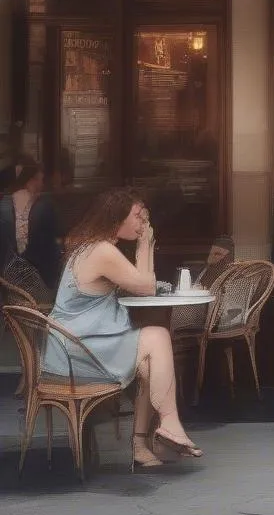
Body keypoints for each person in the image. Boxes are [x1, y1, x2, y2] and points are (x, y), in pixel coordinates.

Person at [44, 188, 202, 465]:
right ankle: (167, 425)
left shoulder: (95, 245)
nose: (143, 224)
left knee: (151, 363)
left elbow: (145, 285)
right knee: (157, 336)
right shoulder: (102, 250)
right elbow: (146, 287)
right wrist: (144, 245)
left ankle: (146, 442)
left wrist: (147, 245)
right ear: (117, 218)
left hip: (77, 343)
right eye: (138, 217)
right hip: (75, 350)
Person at [0, 160, 62, 289]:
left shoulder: (5, 204)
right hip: (36, 276)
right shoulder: (43, 206)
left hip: (9, 276)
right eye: (41, 179)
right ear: (32, 180)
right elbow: (50, 243)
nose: (43, 183)